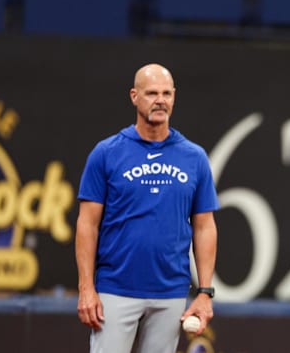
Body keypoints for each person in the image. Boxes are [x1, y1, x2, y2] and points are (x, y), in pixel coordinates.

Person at [75, 63, 219, 353]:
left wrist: (204, 292)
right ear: (134, 96)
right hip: (116, 288)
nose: (160, 100)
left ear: (174, 97)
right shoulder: (107, 153)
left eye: (166, 93)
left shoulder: (194, 157)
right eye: (152, 93)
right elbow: (87, 224)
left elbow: (204, 227)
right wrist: (86, 288)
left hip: (170, 290)